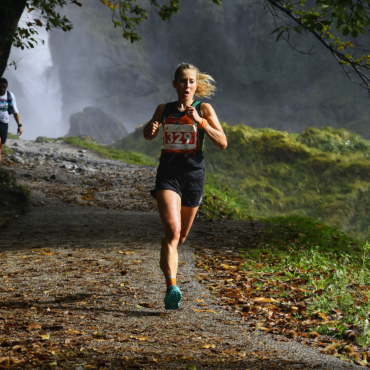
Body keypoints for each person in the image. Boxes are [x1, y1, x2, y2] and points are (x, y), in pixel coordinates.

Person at [143, 63, 227, 310]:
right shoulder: (164, 109)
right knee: (172, 229)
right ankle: (172, 287)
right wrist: (150, 129)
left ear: (196, 84)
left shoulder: (204, 108)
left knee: (181, 237)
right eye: (182, 81)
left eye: (191, 81)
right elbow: (149, 134)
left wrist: (200, 122)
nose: (187, 85)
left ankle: (169, 253)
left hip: (194, 173)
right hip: (168, 171)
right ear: (175, 84)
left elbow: (222, 142)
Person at [0, 78, 22, 160]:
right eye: (1, 87)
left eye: (4, 87)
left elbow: (15, 111)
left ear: (7, 87)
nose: (2, 89)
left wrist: (19, 125)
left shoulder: (10, 96)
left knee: (0, 148)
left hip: (4, 123)